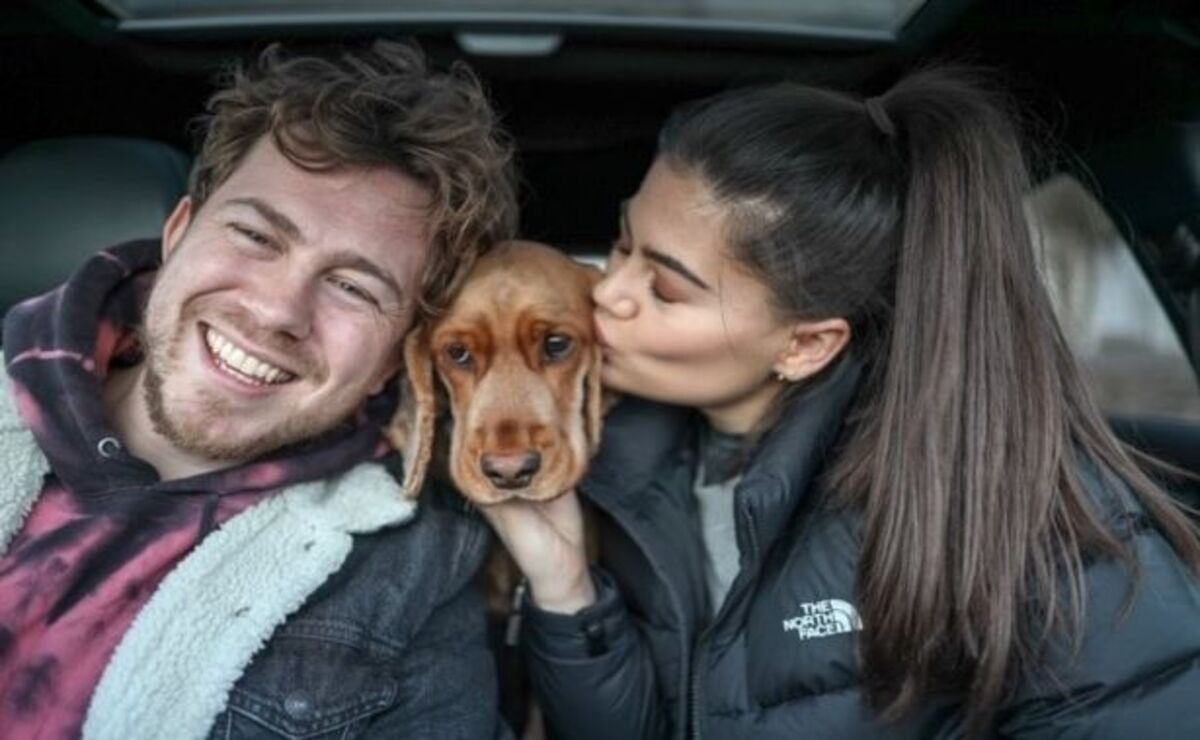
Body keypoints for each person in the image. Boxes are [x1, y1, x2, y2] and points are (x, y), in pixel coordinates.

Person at [483, 66, 1200, 738]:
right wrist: (565, 583)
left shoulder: (1020, 513)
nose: (607, 291)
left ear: (805, 346)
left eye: (665, 289)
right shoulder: (622, 464)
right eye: (622, 243)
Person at [0, 41, 516, 738]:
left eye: (353, 287)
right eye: (255, 235)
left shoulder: (413, 580)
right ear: (178, 233)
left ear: (398, 357)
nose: (278, 310)